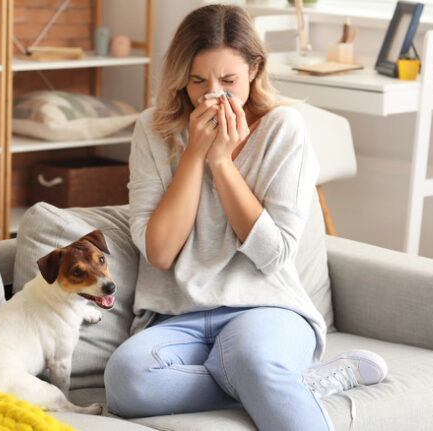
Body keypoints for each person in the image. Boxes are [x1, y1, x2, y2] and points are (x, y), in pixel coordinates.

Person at [104, 5, 386, 431]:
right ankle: (289, 383)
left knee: (251, 357)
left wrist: (222, 163)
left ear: (254, 69)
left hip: (266, 307)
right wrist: (194, 155)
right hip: (175, 317)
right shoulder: (152, 130)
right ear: (182, 76)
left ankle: (270, 376)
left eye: (228, 81)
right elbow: (159, 253)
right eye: (198, 81)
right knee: (127, 380)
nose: (212, 95)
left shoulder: (283, 129)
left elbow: (274, 256)